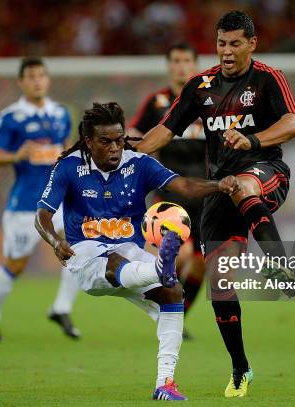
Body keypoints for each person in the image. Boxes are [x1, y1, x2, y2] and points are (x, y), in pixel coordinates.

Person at [134, 10, 295, 398]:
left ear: (251, 44)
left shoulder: (267, 78)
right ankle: (241, 367)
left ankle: (278, 264)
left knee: (244, 185)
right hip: (219, 190)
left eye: (235, 44)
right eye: (221, 43)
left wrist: (253, 140)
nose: (226, 51)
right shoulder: (200, 86)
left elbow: (294, 124)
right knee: (221, 286)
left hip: (266, 171)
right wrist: (132, 154)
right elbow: (164, 131)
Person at [35, 102, 240, 400]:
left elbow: (182, 186)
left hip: (130, 254)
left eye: (119, 140)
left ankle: (165, 383)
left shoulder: (138, 164)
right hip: (86, 256)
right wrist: (55, 241)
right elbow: (42, 214)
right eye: (105, 142)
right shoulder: (68, 167)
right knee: (115, 261)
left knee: (173, 294)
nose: (115, 148)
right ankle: (159, 268)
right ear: (89, 141)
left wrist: (218, 185)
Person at [0, 57, 81, 341]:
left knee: (76, 249)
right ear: (21, 82)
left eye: (41, 75)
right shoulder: (10, 117)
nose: (37, 80)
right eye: (31, 76)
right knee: (16, 264)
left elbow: (64, 150)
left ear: (48, 80)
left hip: (59, 200)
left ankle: (61, 308)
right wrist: (16, 155)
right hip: (26, 204)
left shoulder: (61, 113)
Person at [128, 43, 205, 340]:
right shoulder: (158, 102)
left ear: (196, 64)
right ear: (169, 65)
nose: (181, 66)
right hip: (170, 191)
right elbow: (137, 132)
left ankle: (173, 315)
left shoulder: (209, 100)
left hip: (205, 193)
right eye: (176, 60)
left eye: (187, 60)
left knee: (200, 264)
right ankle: (168, 313)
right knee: (181, 253)